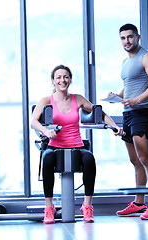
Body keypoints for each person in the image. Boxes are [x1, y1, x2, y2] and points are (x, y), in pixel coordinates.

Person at [31, 64, 125, 224]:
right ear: (53, 81)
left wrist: (114, 127)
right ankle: (49, 208)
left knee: (89, 159)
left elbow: (100, 113)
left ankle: (87, 206)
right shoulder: (46, 100)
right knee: (47, 160)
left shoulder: (78, 98)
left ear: (70, 80)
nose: (63, 80)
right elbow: (33, 121)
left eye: (66, 77)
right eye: (59, 77)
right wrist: (46, 131)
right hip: (54, 145)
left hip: (77, 144)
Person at [112, 23, 148, 220]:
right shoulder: (126, 62)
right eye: (123, 38)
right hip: (128, 113)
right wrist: (117, 96)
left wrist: (138, 100)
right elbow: (131, 86)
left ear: (138, 37)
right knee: (135, 160)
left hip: (142, 112)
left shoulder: (147, 57)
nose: (127, 41)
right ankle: (138, 203)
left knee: (146, 159)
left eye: (130, 37)